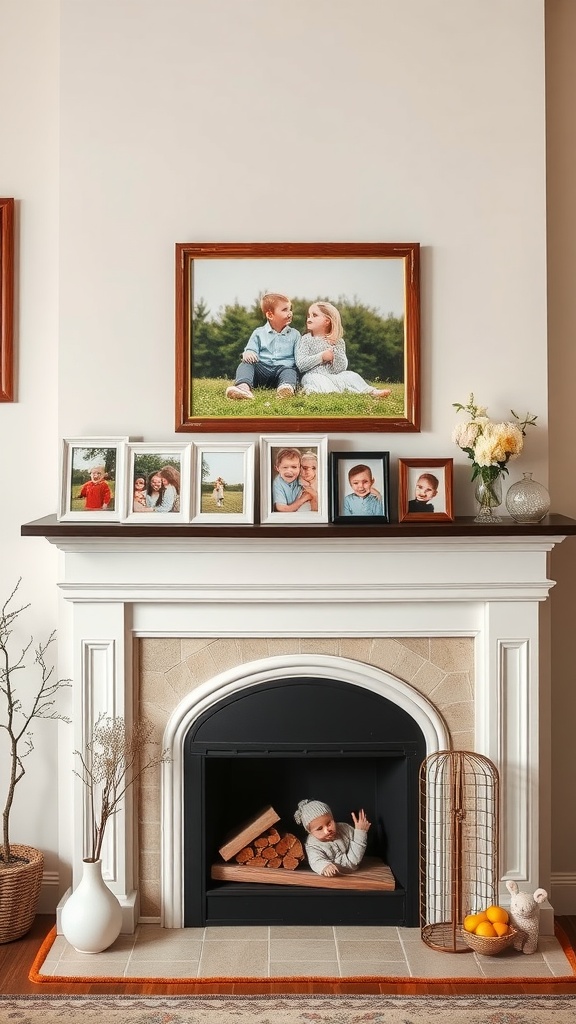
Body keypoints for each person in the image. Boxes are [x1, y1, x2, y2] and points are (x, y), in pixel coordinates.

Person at [295, 301, 391, 398]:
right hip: (313, 375)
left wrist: (335, 349)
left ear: (327, 321)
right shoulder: (306, 339)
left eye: (314, 315)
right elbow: (301, 364)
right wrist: (321, 357)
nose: (309, 319)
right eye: (308, 316)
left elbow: (341, 368)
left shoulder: (338, 342)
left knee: (351, 376)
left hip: (334, 375)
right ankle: (332, 393)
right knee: (320, 381)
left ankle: (371, 392)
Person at [225, 292, 300, 400]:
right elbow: (250, 349)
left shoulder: (295, 334)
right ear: (270, 315)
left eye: (290, 309)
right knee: (245, 364)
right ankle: (243, 389)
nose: (290, 313)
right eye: (285, 310)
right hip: (262, 371)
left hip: (283, 370)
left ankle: (285, 388)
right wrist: (248, 353)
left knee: (290, 371)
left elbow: (299, 358)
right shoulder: (259, 333)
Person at [293, 798, 371, 877]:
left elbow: (353, 862)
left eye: (329, 823)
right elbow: (315, 860)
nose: (327, 831)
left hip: (354, 869)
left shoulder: (345, 828)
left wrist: (360, 832)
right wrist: (324, 866)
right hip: (338, 876)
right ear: (310, 832)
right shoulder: (312, 844)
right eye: (319, 829)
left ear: (332, 818)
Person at [272, 447, 315, 513]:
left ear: (300, 468)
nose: (289, 471)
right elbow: (282, 509)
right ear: (277, 468)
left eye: (294, 467)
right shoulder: (277, 484)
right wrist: (303, 499)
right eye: (285, 467)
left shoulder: (301, 477)